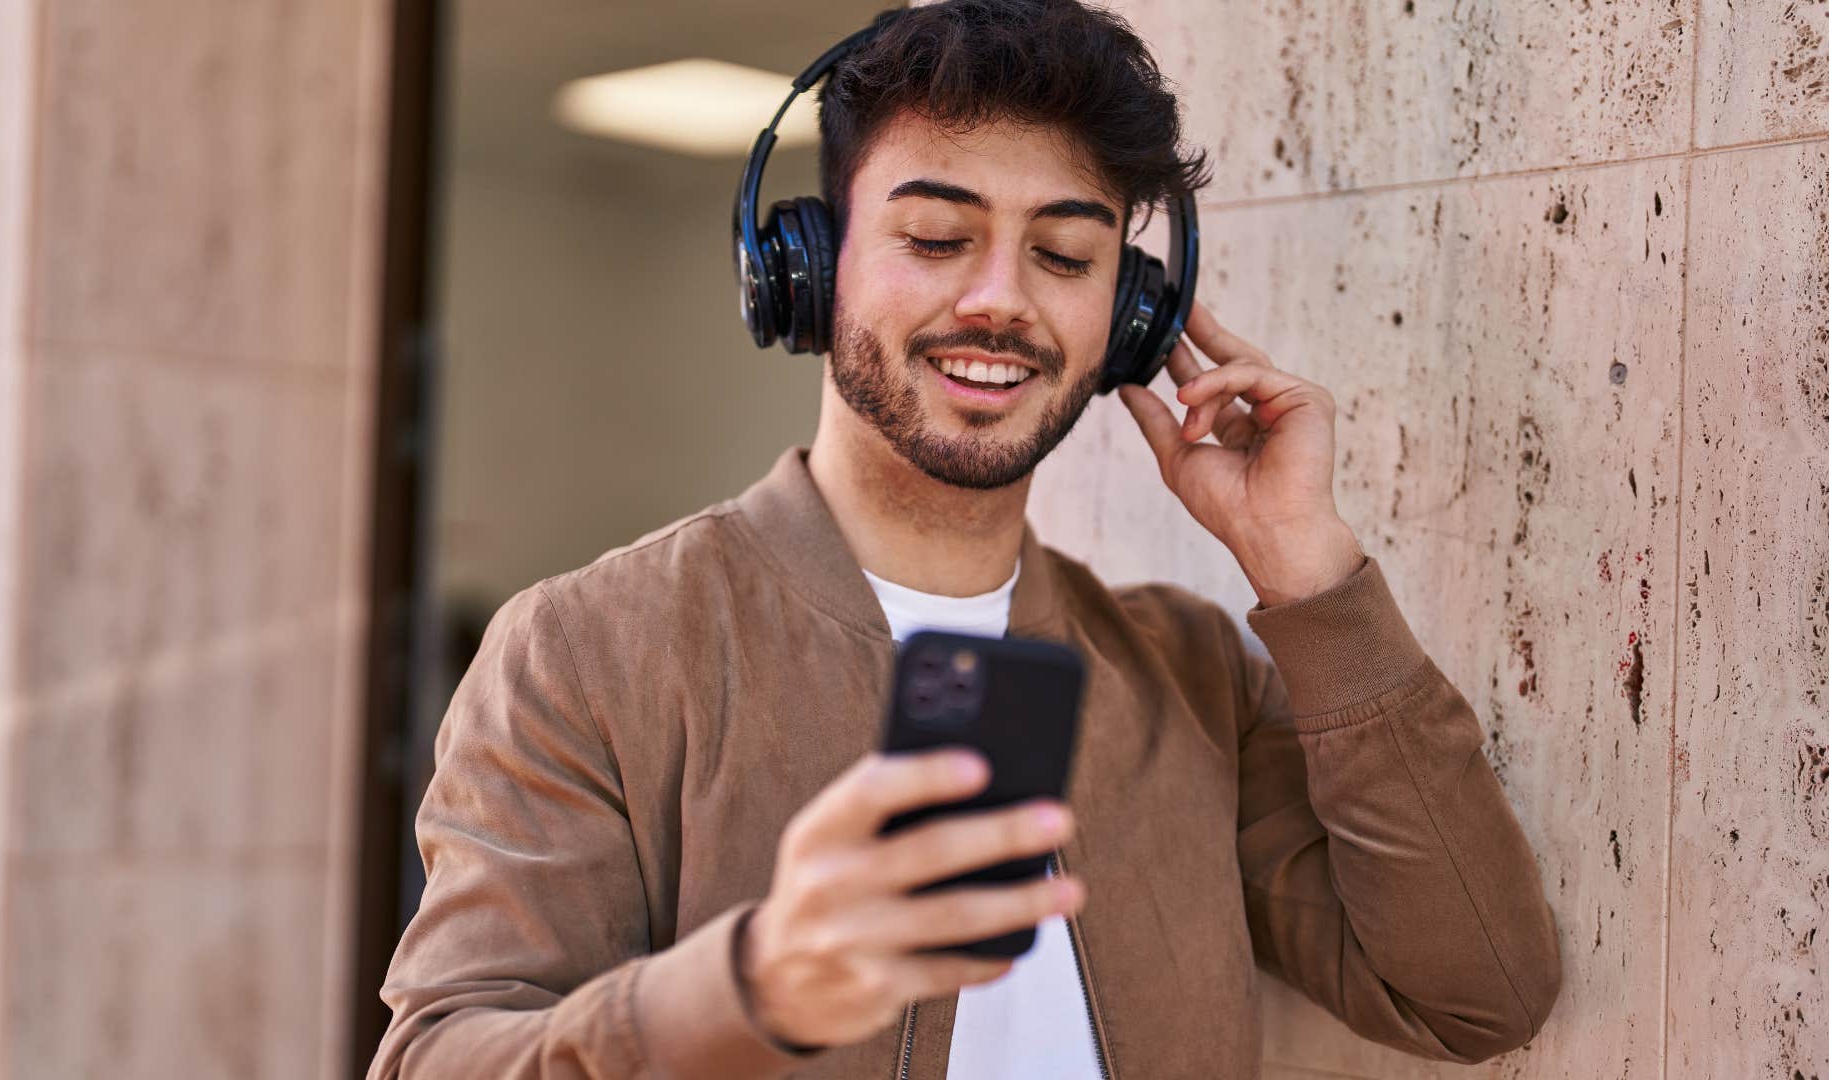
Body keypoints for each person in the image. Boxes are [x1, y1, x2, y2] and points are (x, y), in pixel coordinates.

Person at [368, 1, 1563, 1077]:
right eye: (936, 239)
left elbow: (1479, 997)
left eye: (1065, 255)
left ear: (1129, 316)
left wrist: (1307, 571)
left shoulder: (1187, 676)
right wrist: (751, 984)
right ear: (811, 268)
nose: (1000, 297)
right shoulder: (592, 652)